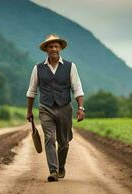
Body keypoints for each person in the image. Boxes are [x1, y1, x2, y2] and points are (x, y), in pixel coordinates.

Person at [26, 34, 85, 182]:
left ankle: (61, 166)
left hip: (65, 108)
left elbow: (77, 88)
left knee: (64, 142)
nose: (53, 48)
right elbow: (32, 91)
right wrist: (29, 111)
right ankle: (53, 170)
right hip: (46, 108)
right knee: (50, 138)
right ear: (46, 49)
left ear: (60, 49)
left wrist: (81, 108)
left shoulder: (71, 67)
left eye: (56, 46)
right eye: (50, 46)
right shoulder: (38, 68)